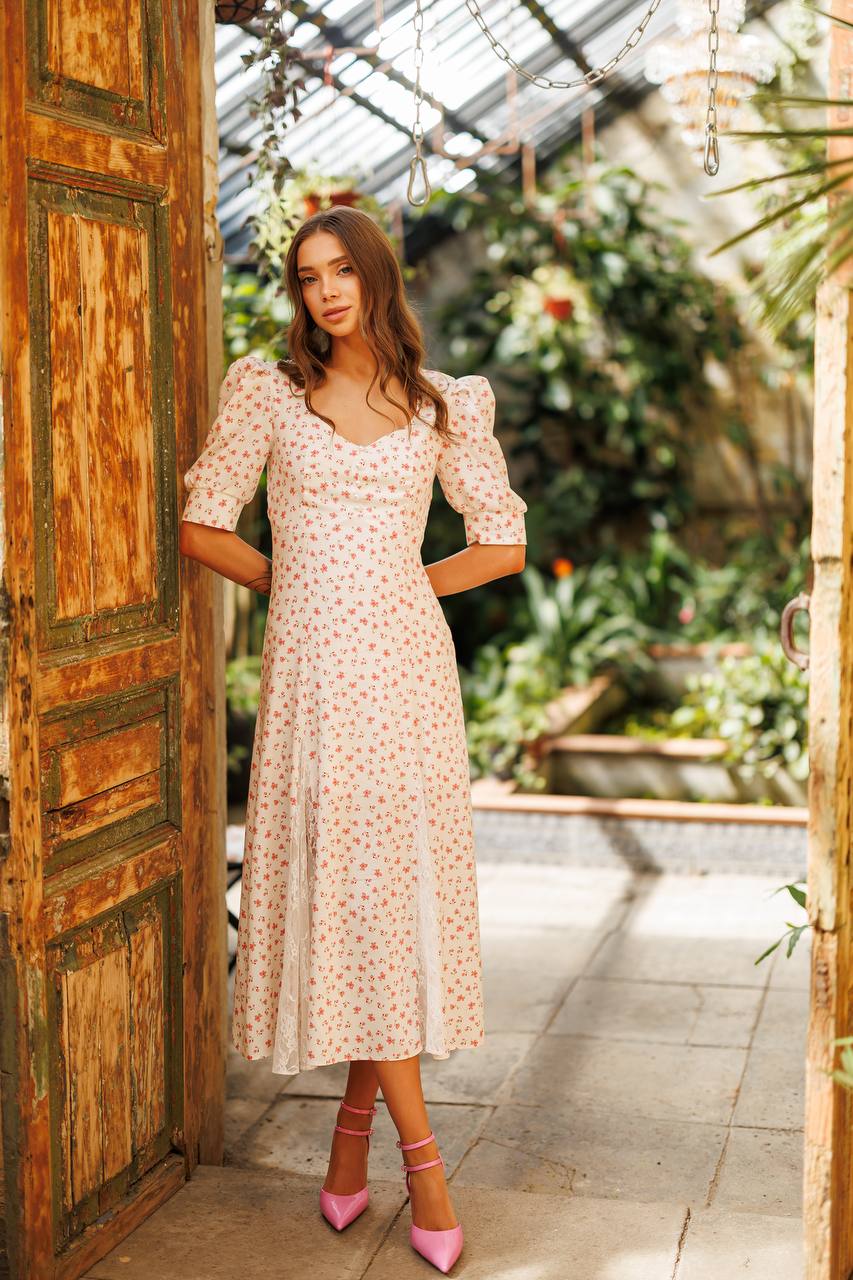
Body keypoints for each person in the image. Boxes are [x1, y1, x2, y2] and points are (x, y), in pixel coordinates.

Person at [179, 205, 527, 1274]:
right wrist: (302, 585)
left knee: (386, 895)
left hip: (408, 674)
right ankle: (421, 1163)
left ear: (376, 277)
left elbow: (501, 544)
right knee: (357, 895)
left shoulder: (441, 406)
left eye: (342, 270)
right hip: (311, 679)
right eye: (306, 275)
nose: (325, 289)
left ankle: (353, 1152)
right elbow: (202, 523)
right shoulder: (268, 392)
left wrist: (396, 585)